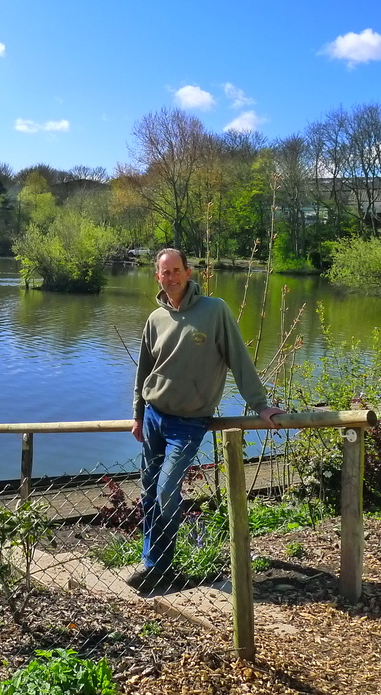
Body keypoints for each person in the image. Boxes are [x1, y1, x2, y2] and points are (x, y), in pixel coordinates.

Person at [128, 248, 284, 592]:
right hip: (153, 417)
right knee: (149, 492)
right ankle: (153, 565)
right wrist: (137, 414)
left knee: (166, 491)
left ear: (188, 272)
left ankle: (159, 566)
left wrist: (260, 405)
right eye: (164, 272)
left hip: (188, 422)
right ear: (157, 276)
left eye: (176, 270)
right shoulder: (155, 319)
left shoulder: (214, 311)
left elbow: (239, 359)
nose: (170, 277)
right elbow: (143, 371)